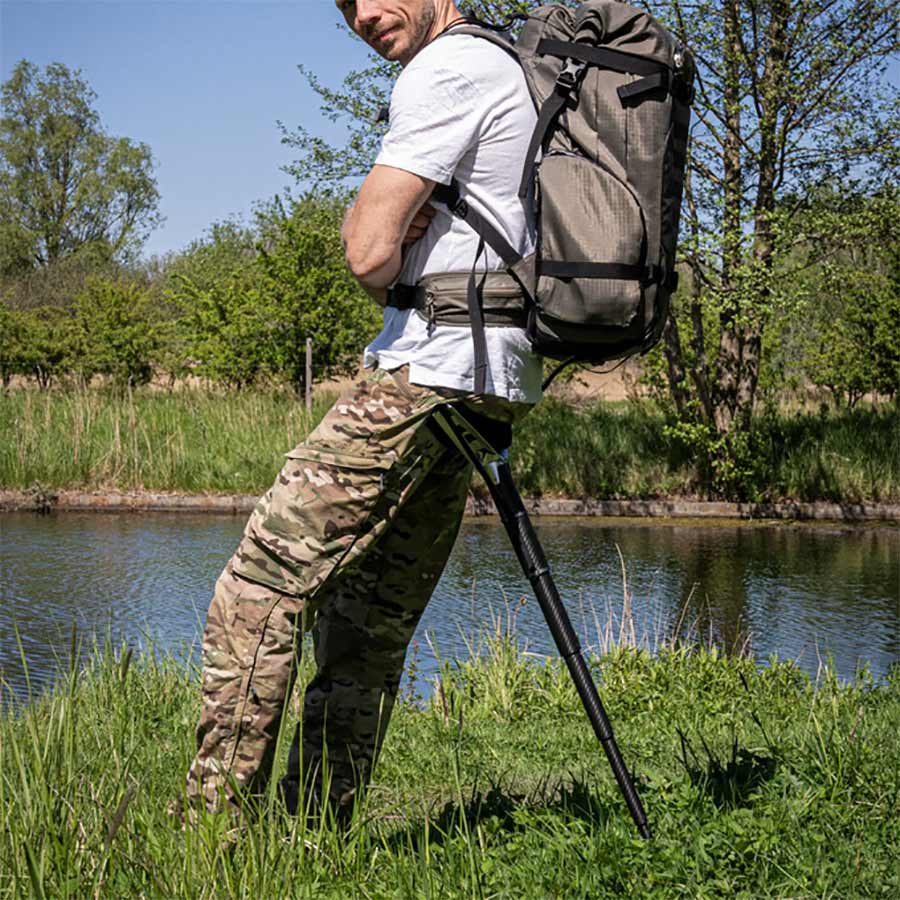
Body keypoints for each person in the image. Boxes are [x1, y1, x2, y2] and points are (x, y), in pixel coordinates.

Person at [181, 0, 542, 824]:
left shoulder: (444, 69)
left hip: (427, 366)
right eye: (344, 4)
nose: (364, 14)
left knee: (257, 589)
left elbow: (367, 252)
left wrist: (379, 227)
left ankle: (209, 830)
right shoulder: (506, 60)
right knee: (366, 618)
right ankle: (316, 827)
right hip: (494, 377)